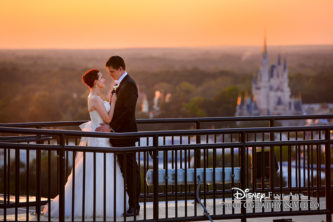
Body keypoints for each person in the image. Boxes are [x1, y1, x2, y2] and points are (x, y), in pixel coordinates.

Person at [42, 69, 128, 218]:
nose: (104, 80)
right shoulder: (94, 98)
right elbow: (107, 119)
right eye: (101, 78)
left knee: (102, 171)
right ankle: (94, 205)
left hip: (101, 137)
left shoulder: (95, 97)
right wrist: (113, 103)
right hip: (99, 139)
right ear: (95, 81)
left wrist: (108, 99)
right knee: (97, 170)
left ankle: (103, 203)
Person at [96, 56, 141, 217]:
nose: (111, 75)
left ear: (121, 68)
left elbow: (127, 112)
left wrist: (111, 127)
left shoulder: (129, 85)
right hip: (119, 135)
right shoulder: (121, 84)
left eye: (112, 71)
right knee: (125, 170)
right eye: (109, 72)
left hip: (125, 134)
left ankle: (134, 206)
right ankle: (130, 204)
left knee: (130, 171)